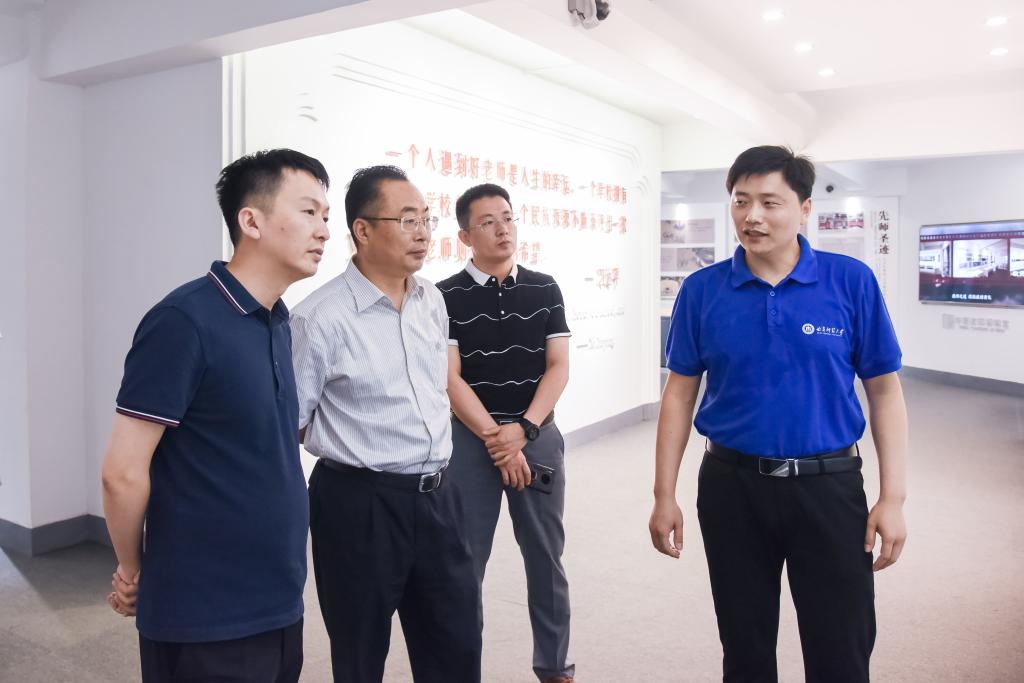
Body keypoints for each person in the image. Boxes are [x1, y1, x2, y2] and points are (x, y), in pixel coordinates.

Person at [649, 145, 909, 683]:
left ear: (805, 207)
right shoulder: (702, 290)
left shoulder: (850, 281)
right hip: (732, 486)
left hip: (829, 485)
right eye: (741, 201)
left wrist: (893, 498)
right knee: (744, 646)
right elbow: (679, 394)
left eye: (770, 202)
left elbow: (884, 392)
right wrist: (663, 494)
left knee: (841, 647)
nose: (753, 216)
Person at [101, 149, 331, 682]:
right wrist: (133, 570)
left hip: (277, 599)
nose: (323, 230)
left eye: (325, 216)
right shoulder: (183, 321)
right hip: (205, 613)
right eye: (307, 212)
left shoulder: (277, 321)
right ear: (250, 221)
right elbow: (122, 472)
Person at [291, 165, 481, 683]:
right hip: (359, 505)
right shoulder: (318, 318)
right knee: (359, 652)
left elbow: (437, 386)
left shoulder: (431, 300)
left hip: (440, 497)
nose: (422, 232)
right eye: (406, 219)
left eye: (426, 219)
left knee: (457, 645)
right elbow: (292, 424)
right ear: (363, 230)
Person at [438, 183, 574, 683]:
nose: (503, 229)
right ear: (464, 236)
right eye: (488, 222)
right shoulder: (443, 295)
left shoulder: (545, 287)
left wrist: (524, 429)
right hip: (470, 444)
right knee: (464, 563)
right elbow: (450, 378)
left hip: (537, 437)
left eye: (508, 218)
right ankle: (460, 669)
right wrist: (498, 439)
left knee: (546, 559)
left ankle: (554, 667)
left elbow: (558, 366)